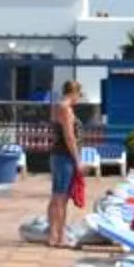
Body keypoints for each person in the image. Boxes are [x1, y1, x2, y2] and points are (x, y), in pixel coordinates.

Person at [45, 78, 84, 249]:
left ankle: (52, 236)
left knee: (56, 196)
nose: (78, 99)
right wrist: (78, 160)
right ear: (74, 93)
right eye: (78, 95)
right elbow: (69, 137)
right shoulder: (65, 109)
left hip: (57, 156)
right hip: (65, 157)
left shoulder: (57, 107)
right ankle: (60, 238)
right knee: (61, 198)